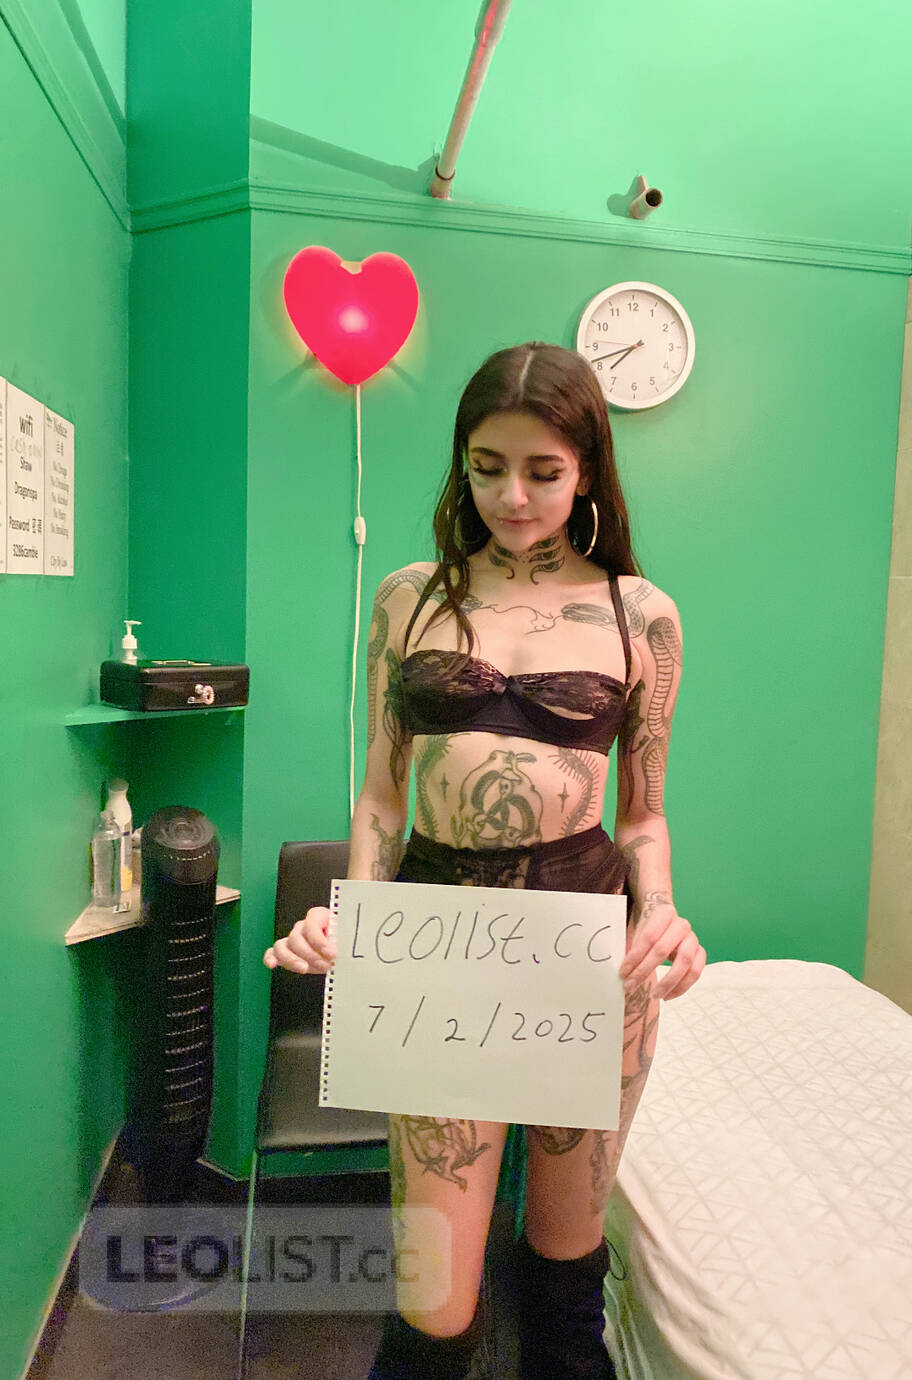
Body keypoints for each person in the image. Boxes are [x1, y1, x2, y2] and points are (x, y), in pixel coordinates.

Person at [263, 341, 706, 1379]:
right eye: (486, 467)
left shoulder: (640, 614)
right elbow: (382, 791)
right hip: (438, 936)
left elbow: (644, 815)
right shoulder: (409, 597)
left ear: (587, 471)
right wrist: (353, 916)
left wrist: (660, 913)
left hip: (585, 947)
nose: (511, 495)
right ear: (461, 463)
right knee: (433, 1303)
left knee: (564, 1280)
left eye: (543, 472)